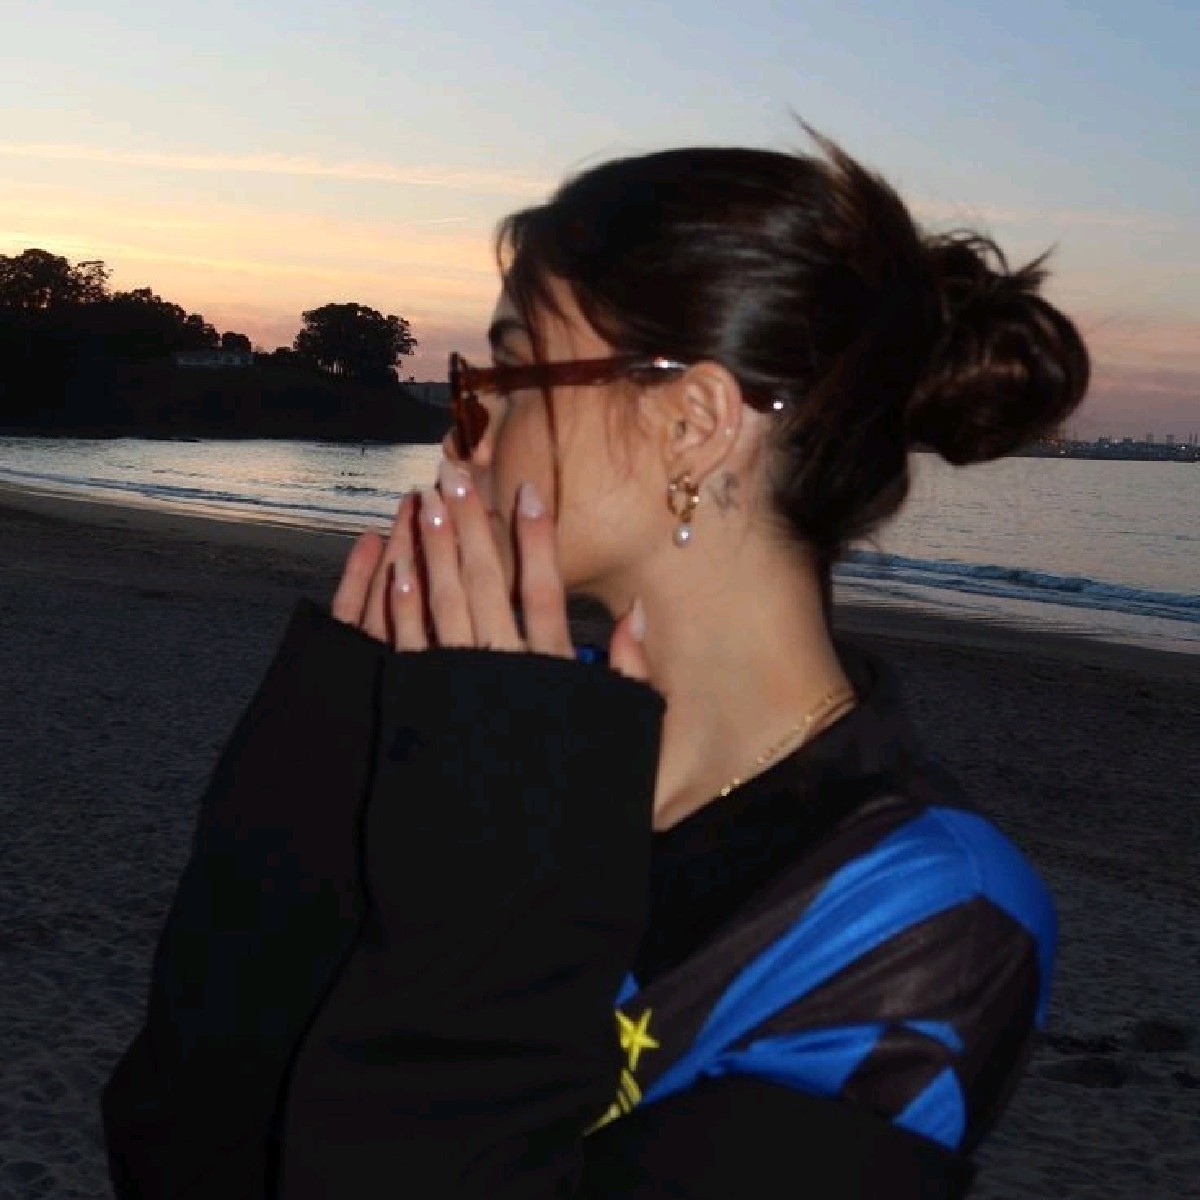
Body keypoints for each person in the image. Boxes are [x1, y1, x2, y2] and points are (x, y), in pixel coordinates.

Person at [101, 127, 1089, 1199]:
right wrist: (311, 784)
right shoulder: (486, 708)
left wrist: (492, 862)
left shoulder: (930, 920)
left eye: (508, 376)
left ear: (693, 424)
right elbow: (180, 1148)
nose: (462, 438)